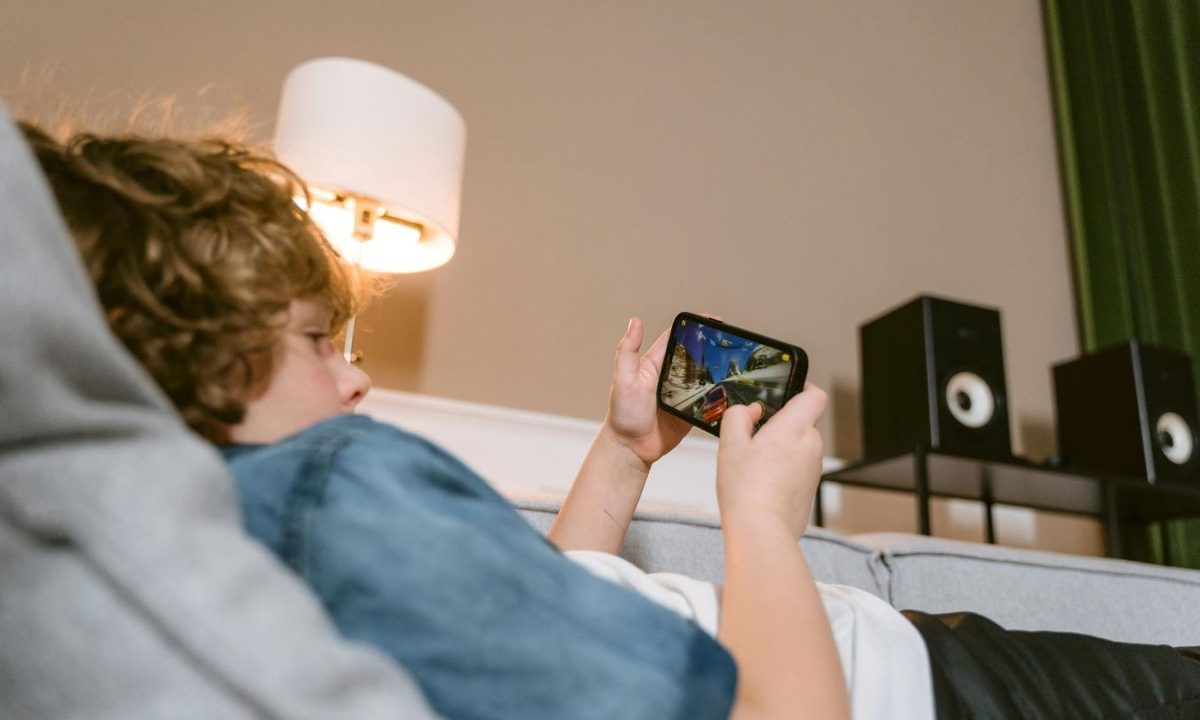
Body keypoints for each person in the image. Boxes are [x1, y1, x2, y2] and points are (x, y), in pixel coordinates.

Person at [22, 121, 1200, 720]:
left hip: (905, 653)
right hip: (926, 691)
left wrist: (625, 452)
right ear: (200, 356)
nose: (354, 382)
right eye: (318, 343)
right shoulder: (335, 490)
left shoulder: (282, 541)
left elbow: (557, 600)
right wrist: (762, 523)